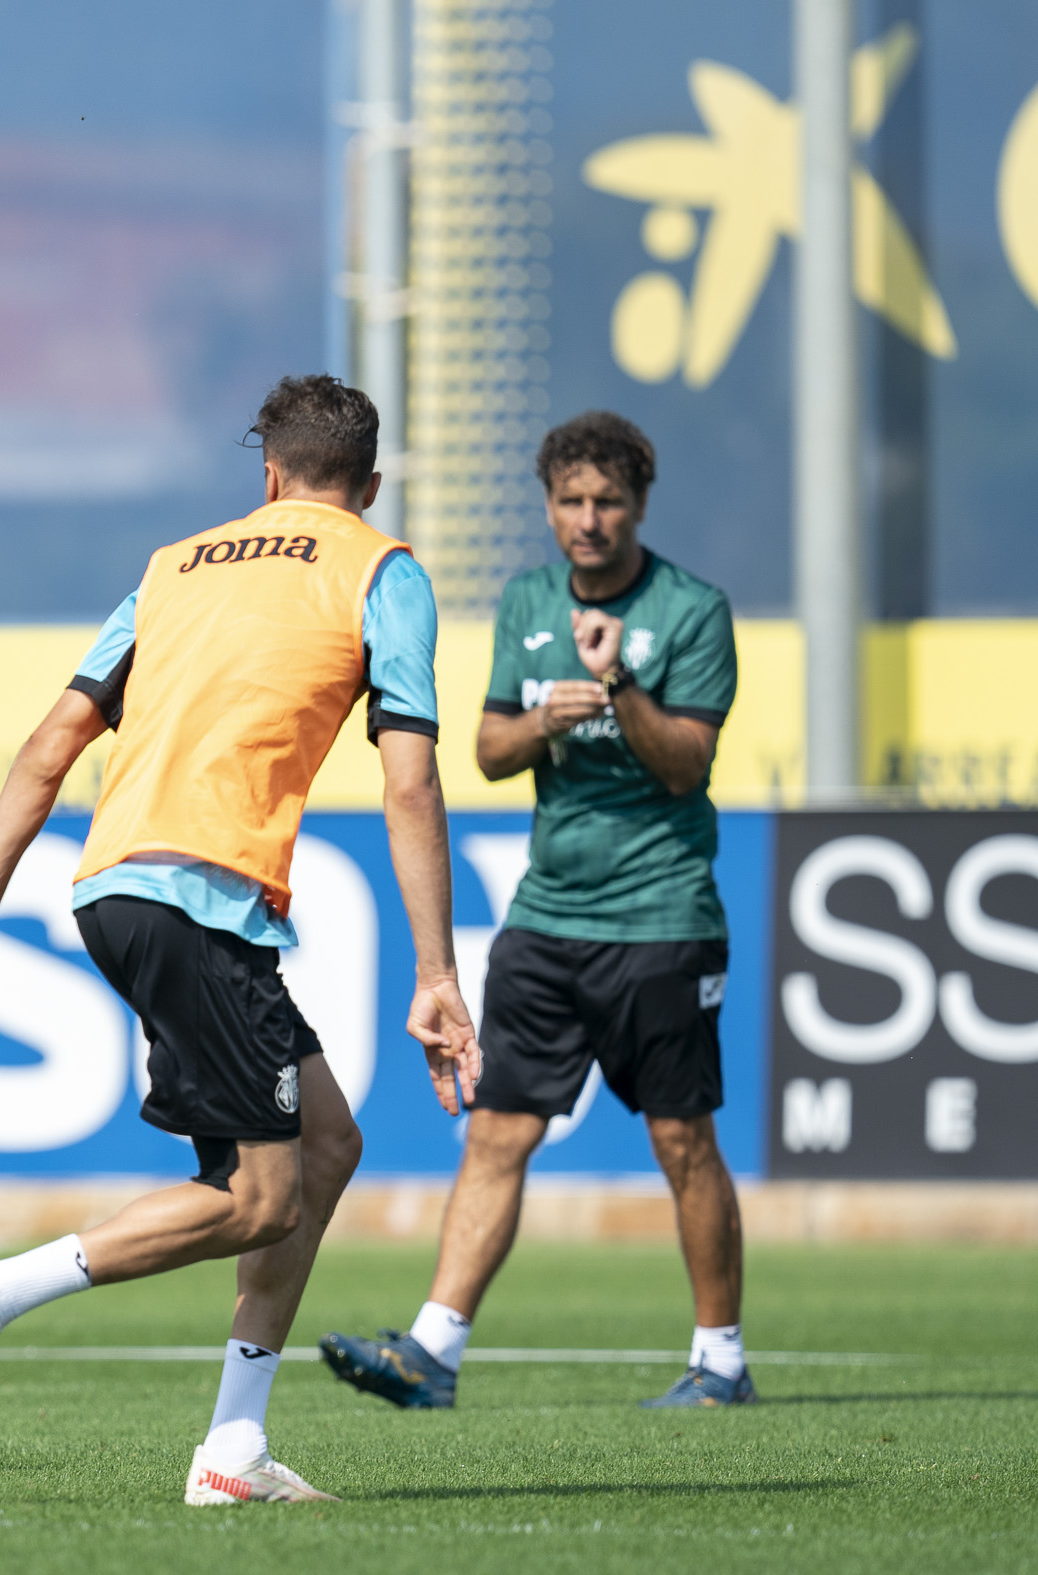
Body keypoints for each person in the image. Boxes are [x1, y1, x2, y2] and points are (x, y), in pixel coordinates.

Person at [0, 375, 481, 1505]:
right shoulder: (378, 568)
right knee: (259, 1199)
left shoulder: (173, 568)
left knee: (324, 1150)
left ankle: (234, 1450)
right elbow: (409, 787)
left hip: (119, 888)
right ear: (366, 485)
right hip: (197, 898)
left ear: (266, 477)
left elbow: (52, 741)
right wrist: (439, 974)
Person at [320, 411, 746, 1410]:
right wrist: (542, 718)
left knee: (682, 1141)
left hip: (661, 917)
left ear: (638, 505)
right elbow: (487, 749)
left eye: (606, 501)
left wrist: (616, 683)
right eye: (570, 501)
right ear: (548, 506)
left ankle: (719, 1361)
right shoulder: (526, 602)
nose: (587, 520)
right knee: (497, 1132)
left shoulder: (690, 609)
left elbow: (686, 765)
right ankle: (431, 1354)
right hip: (546, 917)